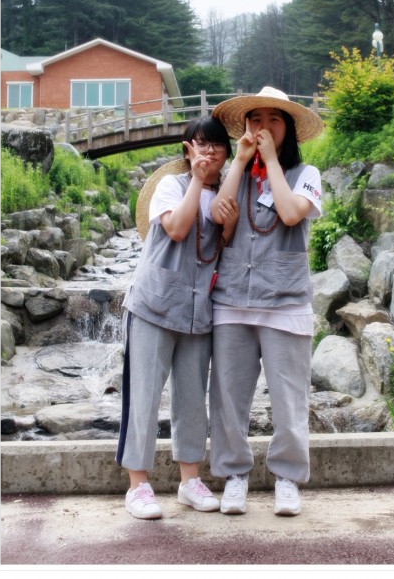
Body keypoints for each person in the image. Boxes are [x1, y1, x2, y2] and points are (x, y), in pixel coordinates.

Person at [209, 86, 324, 517]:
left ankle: (287, 479)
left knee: (289, 399)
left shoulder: (307, 173)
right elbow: (219, 211)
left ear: (288, 129)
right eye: (255, 119)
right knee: (227, 397)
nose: (263, 127)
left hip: (286, 301)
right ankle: (234, 476)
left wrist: (271, 161)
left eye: (273, 119)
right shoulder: (235, 172)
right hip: (232, 300)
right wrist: (241, 161)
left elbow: (291, 213)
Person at [116, 116, 238, 519]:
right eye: (199, 143)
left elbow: (227, 244)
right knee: (144, 396)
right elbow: (179, 229)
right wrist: (198, 181)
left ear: (226, 151)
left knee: (191, 399)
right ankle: (138, 486)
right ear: (187, 149)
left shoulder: (227, 193)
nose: (208, 151)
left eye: (215, 144)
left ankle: (189, 482)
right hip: (153, 306)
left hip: (198, 312)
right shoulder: (171, 186)